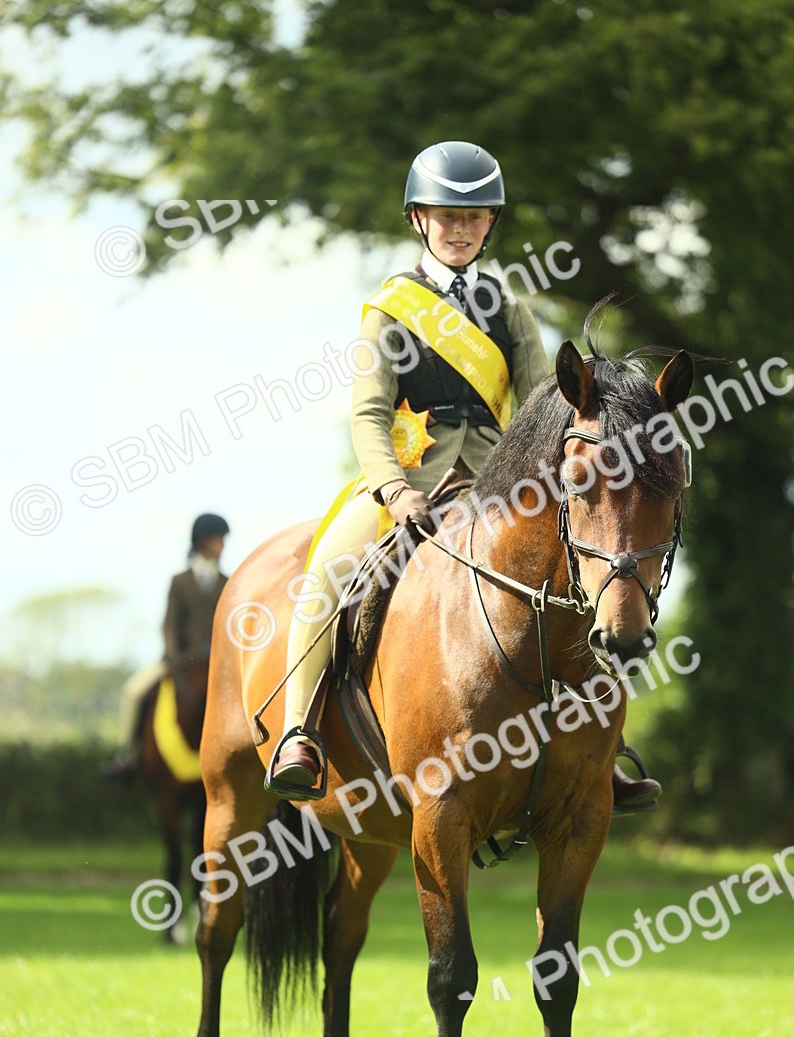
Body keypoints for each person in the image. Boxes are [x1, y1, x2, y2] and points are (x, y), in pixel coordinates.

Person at [269, 140, 660, 815]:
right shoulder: (391, 308)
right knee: (330, 570)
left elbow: (548, 406)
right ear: (418, 219)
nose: (459, 229)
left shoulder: (508, 308)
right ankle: (300, 732)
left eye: (474, 217)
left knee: (582, 581)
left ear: (489, 225)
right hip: (405, 483)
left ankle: (599, 753)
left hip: (496, 485)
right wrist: (393, 489)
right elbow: (366, 415)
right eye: (445, 216)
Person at [102, 513, 230, 781]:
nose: (224, 546)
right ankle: (127, 755)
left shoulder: (227, 583)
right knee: (133, 691)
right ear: (205, 541)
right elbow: (170, 623)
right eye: (220, 540)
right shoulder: (179, 581)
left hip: (219, 664)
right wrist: (175, 656)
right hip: (180, 660)